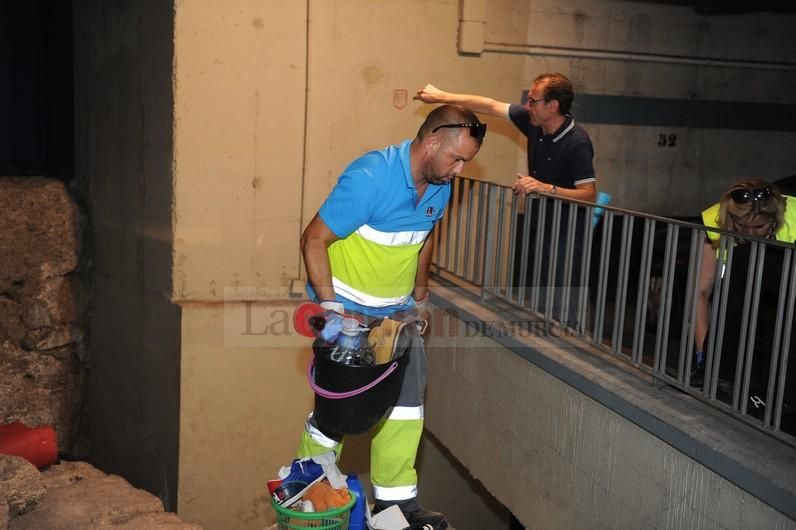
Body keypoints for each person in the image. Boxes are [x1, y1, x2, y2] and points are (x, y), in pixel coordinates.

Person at [298, 104, 485, 530]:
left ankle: (394, 506)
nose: (459, 170)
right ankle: (306, 490)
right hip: (348, 315)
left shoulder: (439, 185)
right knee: (337, 415)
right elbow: (312, 239)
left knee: (406, 408)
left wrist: (420, 296)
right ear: (432, 141)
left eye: (465, 163)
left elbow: (424, 237)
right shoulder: (371, 178)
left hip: (397, 315)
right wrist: (330, 311)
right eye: (456, 159)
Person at [415, 73, 596, 325]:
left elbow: (589, 194)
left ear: (552, 106)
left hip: (568, 229)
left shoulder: (577, 142)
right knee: (540, 288)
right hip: (540, 221)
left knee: (564, 292)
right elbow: (489, 105)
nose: (528, 105)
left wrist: (546, 188)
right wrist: (441, 97)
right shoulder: (533, 122)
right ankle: (542, 327)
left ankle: (570, 333)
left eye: (533, 100)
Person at [694, 179, 796, 416]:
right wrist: (703, 357)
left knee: (775, 308)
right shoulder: (714, 221)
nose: (751, 233)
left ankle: (783, 396)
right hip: (746, 299)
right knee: (743, 265)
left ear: (775, 219)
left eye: (759, 226)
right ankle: (721, 376)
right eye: (741, 225)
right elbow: (701, 292)